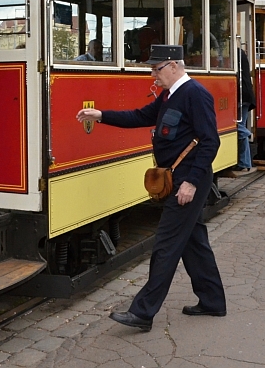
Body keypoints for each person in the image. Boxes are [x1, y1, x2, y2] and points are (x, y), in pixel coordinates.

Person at [76, 44, 226, 331]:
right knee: (194, 243)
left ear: (173, 66)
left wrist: (192, 183)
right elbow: (140, 116)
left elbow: (210, 141)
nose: (153, 77)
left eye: (156, 70)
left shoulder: (195, 94)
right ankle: (212, 301)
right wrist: (101, 116)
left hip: (187, 179)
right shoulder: (171, 95)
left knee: (166, 246)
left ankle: (143, 312)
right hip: (179, 177)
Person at [232, 48, 256, 175]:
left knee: (237, 127)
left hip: (240, 95)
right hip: (245, 94)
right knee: (240, 125)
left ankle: (244, 162)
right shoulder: (240, 52)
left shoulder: (233, 53)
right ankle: (245, 162)